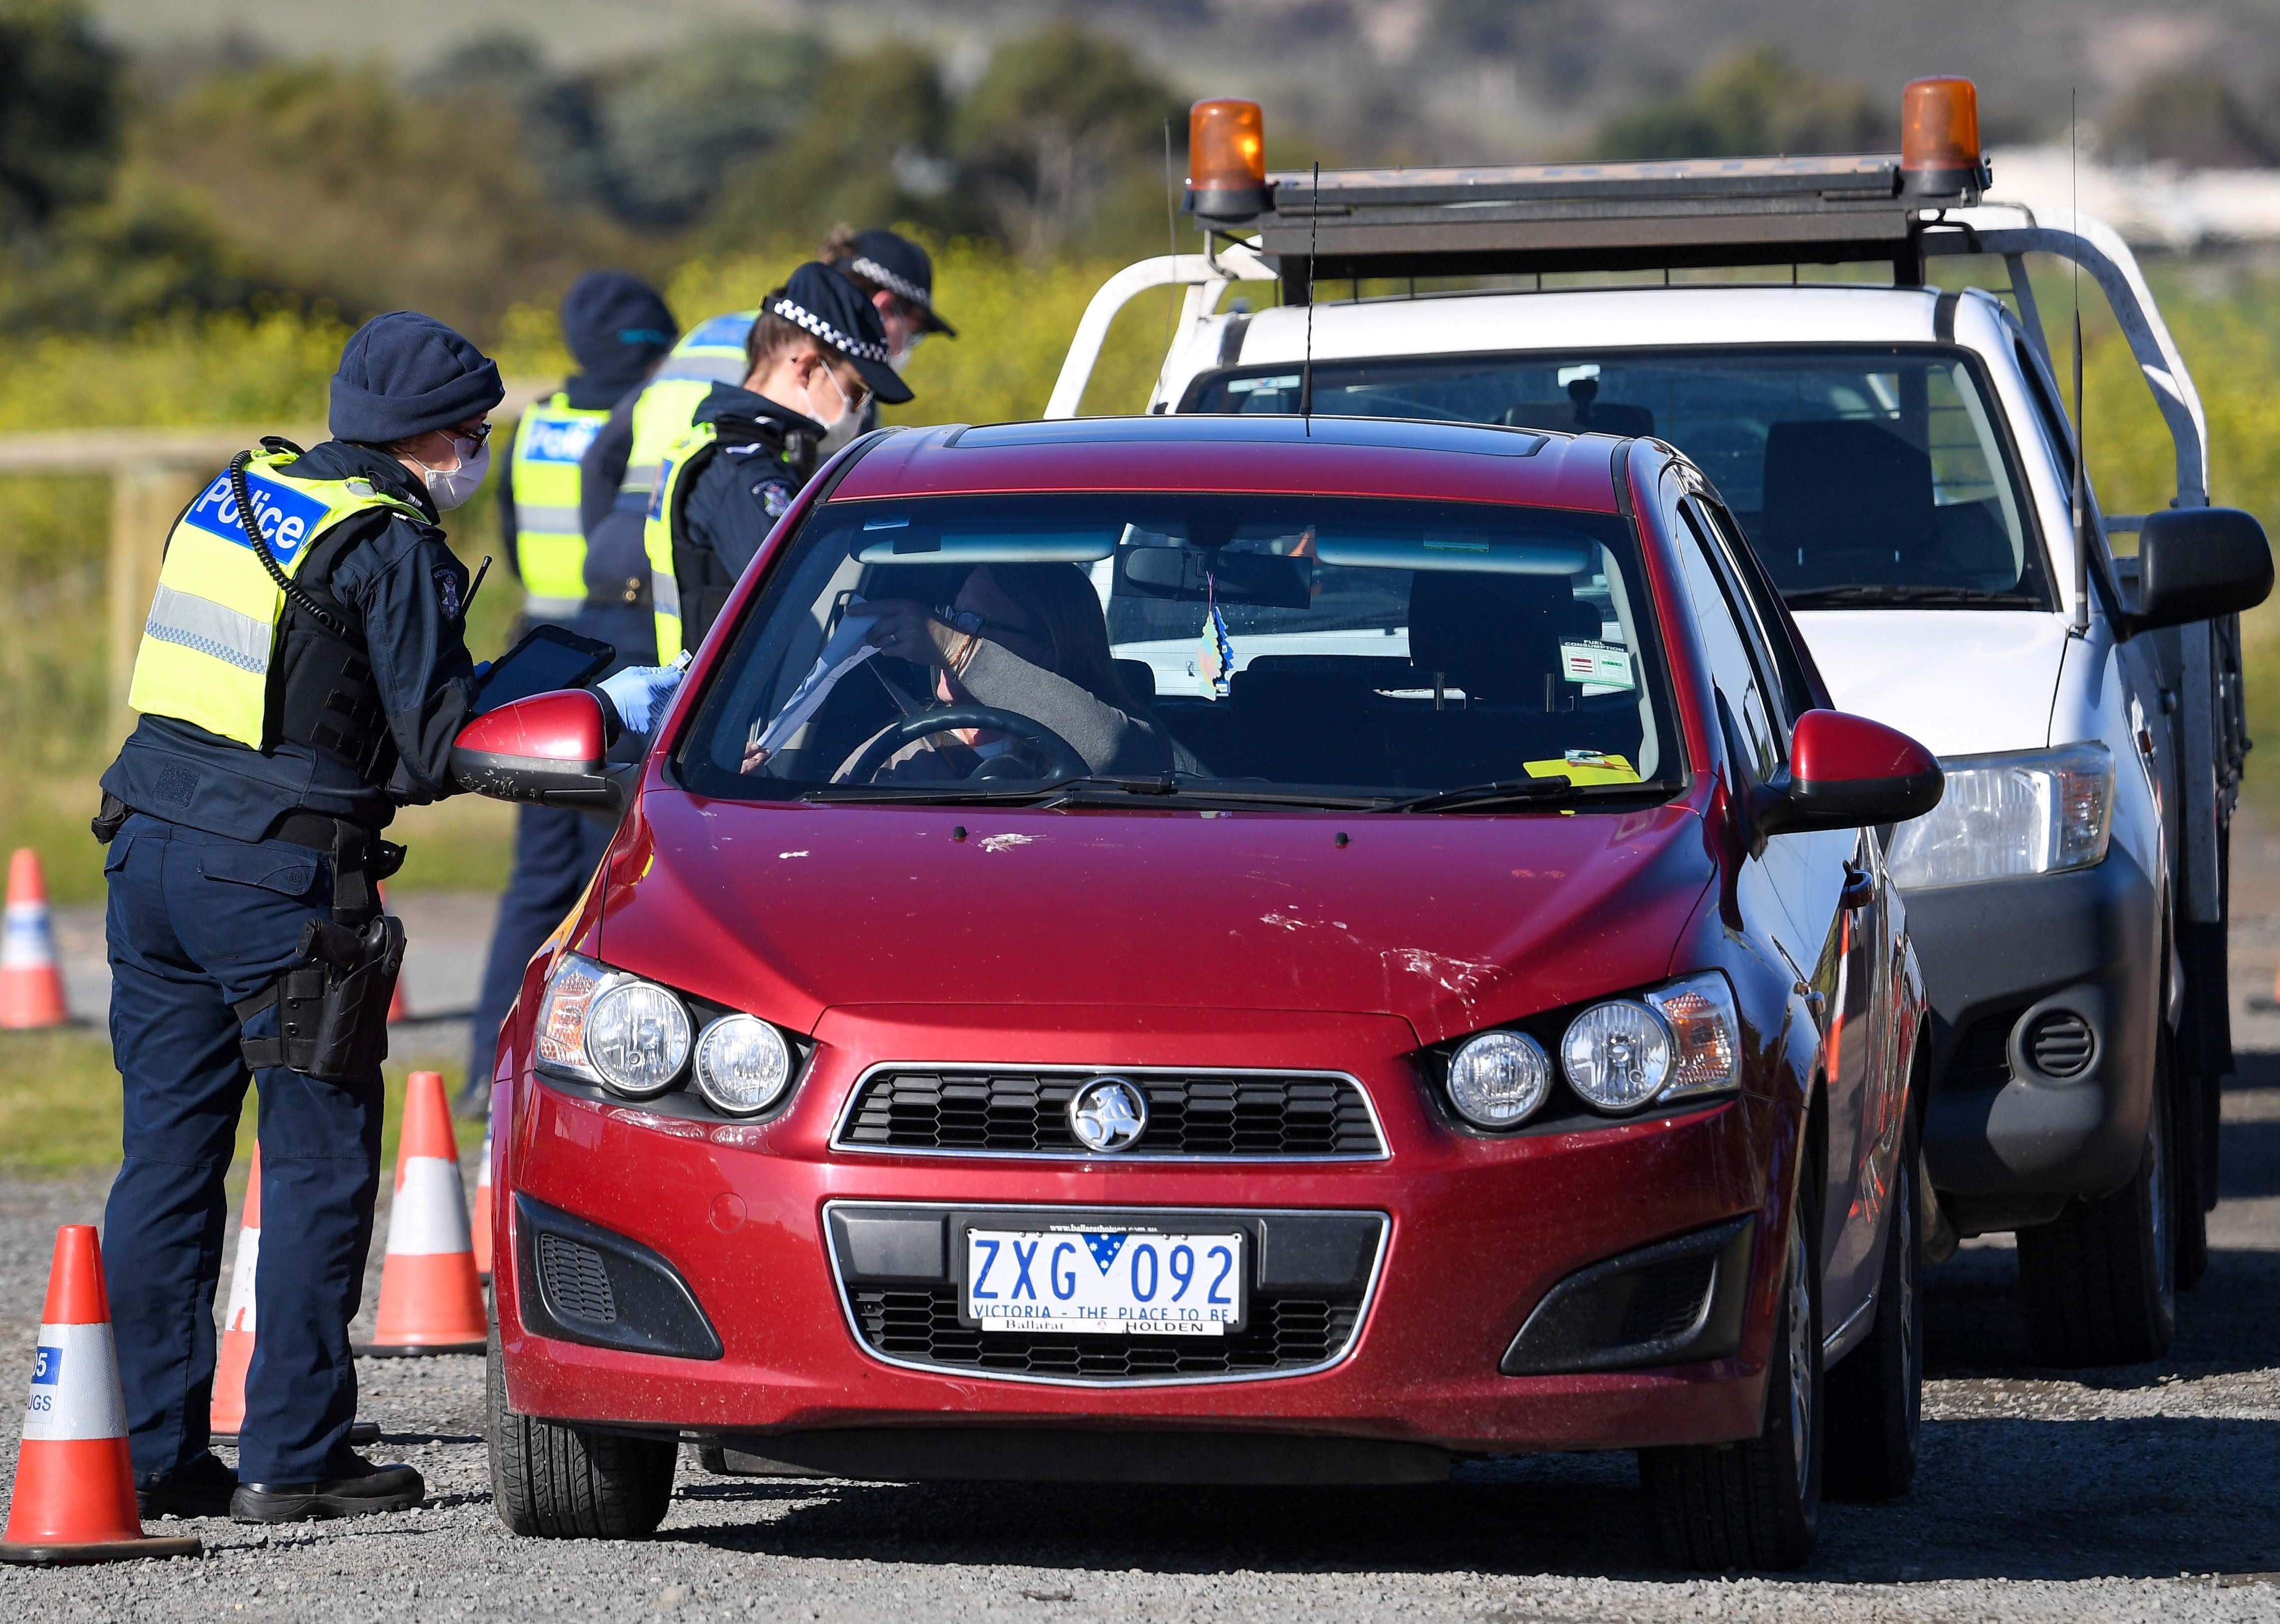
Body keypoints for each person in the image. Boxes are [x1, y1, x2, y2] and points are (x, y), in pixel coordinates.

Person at [95, 311, 500, 1525]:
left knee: (165, 1159)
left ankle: (151, 1451)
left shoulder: (241, 497)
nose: (475, 456)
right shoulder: (391, 541)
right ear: (436, 435)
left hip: (147, 852)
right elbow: (432, 753)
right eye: (473, 435)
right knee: (320, 1154)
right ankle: (295, 1452)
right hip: (278, 883)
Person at [461, 273, 676, 1117]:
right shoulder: (658, 417)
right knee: (644, 879)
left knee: (537, 880)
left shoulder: (541, 419)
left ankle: (488, 1062)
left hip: (542, 656)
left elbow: (515, 539)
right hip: (628, 658)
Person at [645, 261, 912, 663]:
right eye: (857, 391)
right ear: (806, 368)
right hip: (737, 720)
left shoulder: (741, 448)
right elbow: (801, 602)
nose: (861, 409)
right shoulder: (742, 472)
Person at [847, 563, 1184, 780]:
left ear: (1045, 648)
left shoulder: (1130, 740)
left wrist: (958, 649)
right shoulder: (903, 748)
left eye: (973, 624)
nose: (945, 631)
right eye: (952, 618)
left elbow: (1112, 752)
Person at [821, 225, 956, 432]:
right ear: (884, 307)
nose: (907, 347)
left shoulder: (860, 391)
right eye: (912, 335)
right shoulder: (832, 387)